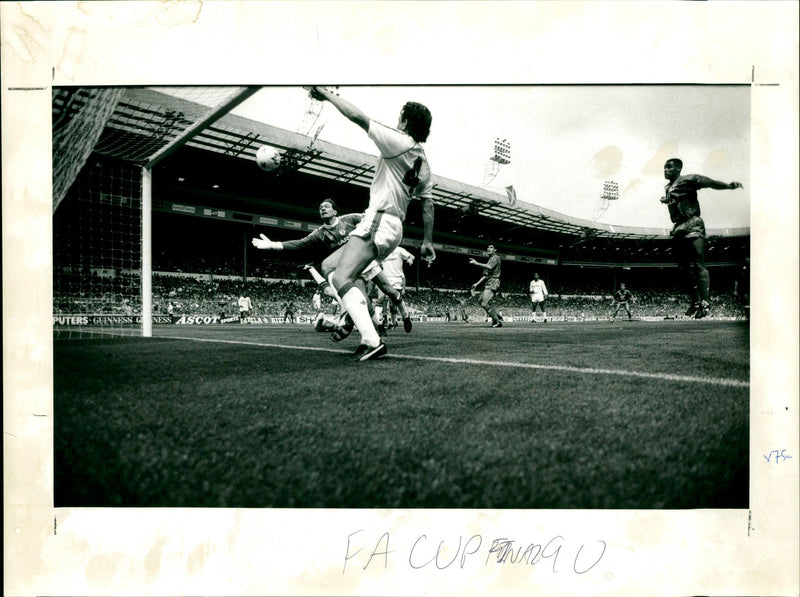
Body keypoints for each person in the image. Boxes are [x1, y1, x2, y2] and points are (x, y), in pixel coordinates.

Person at [307, 86, 436, 361]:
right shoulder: (423, 161)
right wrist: (426, 241)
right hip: (393, 227)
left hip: (379, 219)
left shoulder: (399, 141)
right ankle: (352, 316)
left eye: (400, 117)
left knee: (341, 277)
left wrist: (326, 95)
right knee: (329, 266)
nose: (397, 120)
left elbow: (358, 117)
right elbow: (427, 203)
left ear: (405, 121)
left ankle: (370, 337)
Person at [253, 198, 412, 336]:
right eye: (320, 207)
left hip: (365, 259)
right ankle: (379, 328)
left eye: (326, 206)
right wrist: (275, 245)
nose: (322, 208)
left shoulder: (349, 219)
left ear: (335, 211)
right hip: (350, 268)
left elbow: (370, 219)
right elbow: (300, 243)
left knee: (389, 290)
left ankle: (405, 316)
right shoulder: (319, 234)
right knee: (364, 299)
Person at [661, 158, 743, 319]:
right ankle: (696, 301)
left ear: (678, 169)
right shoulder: (668, 187)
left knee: (698, 264)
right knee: (683, 268)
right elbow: (678, 200)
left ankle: (705, 303)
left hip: (692, 224)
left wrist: (728, 186)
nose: (665, 170)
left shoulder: (688, 179)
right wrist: (667, 200)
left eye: (669, 167)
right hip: (678, 228)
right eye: (664, 167)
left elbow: (709, 182)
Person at [378, 245, 415, 331]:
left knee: (396, 299)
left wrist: (410, 259)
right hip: (384, 278)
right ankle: (381, 322)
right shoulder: (382, 250)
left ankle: (405, 316)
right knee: (381, 298)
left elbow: (412, 256)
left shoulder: (399, 250)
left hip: (397, 278)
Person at [469, 244, 503, 328]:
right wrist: (476, 284)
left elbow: (489, 267)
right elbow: (486, 275)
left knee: (484, 304)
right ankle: (497, 315)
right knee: (480, 301)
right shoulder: (490, 259)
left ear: (495, 250)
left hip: (494, 281)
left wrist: (476, 263)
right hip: (489, 281)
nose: (489, 248)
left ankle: (497, 321)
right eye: (488, 247)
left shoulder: (496, 257)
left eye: (491, 247)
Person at [734, 257, 750, 321]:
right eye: (746, 260)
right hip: (744, 288)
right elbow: (736, 280)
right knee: (746, 300)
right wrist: (735, 290)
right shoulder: (741, 269)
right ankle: (748, 315)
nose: (748, 261)